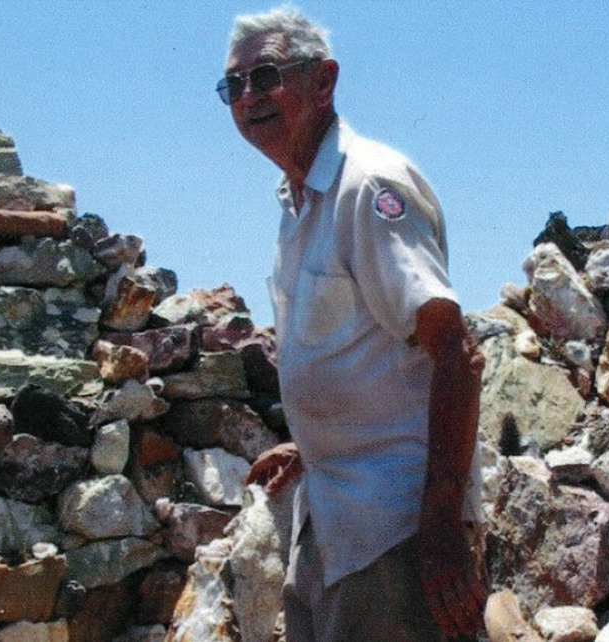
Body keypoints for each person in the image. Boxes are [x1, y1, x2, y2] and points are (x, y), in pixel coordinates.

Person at [218, 7, 486, 641]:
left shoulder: (367, 187)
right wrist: (311, 446)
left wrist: (443, 528)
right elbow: (361, 354)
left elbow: (456, 353)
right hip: (336, 522)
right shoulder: (299, 202)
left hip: (397, 533)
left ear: (324, 81)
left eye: (267, 76)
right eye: (236, 84)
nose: (249, 96)